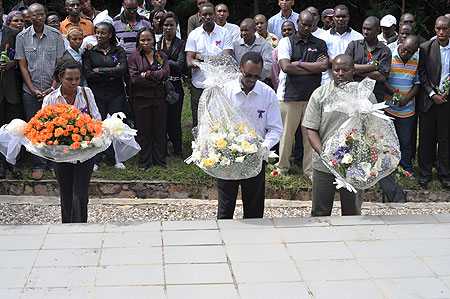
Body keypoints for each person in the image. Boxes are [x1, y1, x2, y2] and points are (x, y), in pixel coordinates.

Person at [303, 54, 376, 216]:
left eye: (345, 70)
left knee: (352, 211)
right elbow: (311, 129)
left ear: (353, 70)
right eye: (336, 70)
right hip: (324, 164)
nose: (340, 73)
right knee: (320, 211)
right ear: (332, 71)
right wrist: (325, 155)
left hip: (354, 165)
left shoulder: (366, 96)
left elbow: (373, 129)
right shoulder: (320, 95)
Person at [218, 52, 282, 219]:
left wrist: (263, 148)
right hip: (229, 156)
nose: (252, 80)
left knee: (254, 205)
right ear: (240, 69)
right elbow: (216, 123)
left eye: (256, 76)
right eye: (248, 75)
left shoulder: (268, 94)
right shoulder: (226, 91)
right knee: (225, 204)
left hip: (255, 157)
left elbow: (275, 128)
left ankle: (255, 238)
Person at [43, 60, 101, 223]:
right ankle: (67, 225)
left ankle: (80, 225)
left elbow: (96, 118)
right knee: (66, 191)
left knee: (81, 193)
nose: (74, 83)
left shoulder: (86, 93)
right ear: (60, 78)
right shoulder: (51, 99)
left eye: (77, 78)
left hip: (85, 152)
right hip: (61, 154)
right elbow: (43, 125)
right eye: (70, 79)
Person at [274, 10, 328, 178]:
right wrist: (311, 68)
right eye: (303, 24)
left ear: (314, 25)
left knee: (310, 136)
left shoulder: (320, 43)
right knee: (286, 135)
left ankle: (310, 170)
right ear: (297, 22)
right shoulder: (286, 42)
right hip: (289, 96)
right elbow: (286, 67)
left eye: (309, 25)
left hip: (312, 97)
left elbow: (323, 67)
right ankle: (282, 167)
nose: (306, 27)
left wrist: (298, 64)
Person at [15, 3, 64, 180]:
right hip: (30, 91)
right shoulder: (22, 37)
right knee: (34, 127)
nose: (40, 17)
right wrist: (33, 89)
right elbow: (22, 66)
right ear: (29, 17)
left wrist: (52, 87)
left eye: (42, 14)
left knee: (54, 126)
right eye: (35, 15)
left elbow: (59, 63)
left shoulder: (56, 35)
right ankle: (39, 163)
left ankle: (52, 163)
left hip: (53, 90)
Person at [82, 22, 128, 170]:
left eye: (103, 33)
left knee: (114, 126)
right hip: (97, 95)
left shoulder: (118, 50)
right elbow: (88, 74)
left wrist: (99, 70)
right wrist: (110, 72)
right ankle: (96, 158)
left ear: (110, 35)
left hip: (116, 94)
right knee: (98, 126)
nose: (99, 35)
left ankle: (115, 157)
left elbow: (122, 70)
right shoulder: (90, 52)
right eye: (97, 33)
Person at [185, 2, 233, 128]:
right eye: (204, 15)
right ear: (200, 16)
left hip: (220, 85)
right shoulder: (194, 35)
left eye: (210, 14)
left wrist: (201, 57)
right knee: (199, 121)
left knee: (220, 119)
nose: (208, 17)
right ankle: (199, 147)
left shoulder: (224, 33)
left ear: (215, 15)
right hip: (199, 85)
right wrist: (215, 60)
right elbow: (189, 62)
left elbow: (227, 59)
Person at [128, 27, 169, 170]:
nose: (146, 42)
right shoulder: (134, 56)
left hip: (159, 98)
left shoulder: (161, 55)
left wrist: (148, 75)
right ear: (139, 41)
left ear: (153, 40)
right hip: (141, 99)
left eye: (149, 39)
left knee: (160, 129)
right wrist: (156, 79)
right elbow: (135, 79)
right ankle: (144, 161)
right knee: (143, 130)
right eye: (143, 40)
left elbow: (165, 74)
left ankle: (160, 160)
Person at [417, 16, 450, 189]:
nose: (441, 32)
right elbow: (421, 73)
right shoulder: (426, 48)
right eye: (438, 29)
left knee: (445, 138)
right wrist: (432, 94)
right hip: (429, 100)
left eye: (445, 29)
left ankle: (445, 175)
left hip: (447, 100)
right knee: (426, 138)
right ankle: (425, 174)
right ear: (434, 29)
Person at [384, 35, 420, 175]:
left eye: (410, 52)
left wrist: (406, 98)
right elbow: (383, 79)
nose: (406, 53)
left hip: (407, 109)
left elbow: (417, 84)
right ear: (401, 43)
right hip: (389, 107)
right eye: (404, 49)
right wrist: (396, 94)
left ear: (415, 51)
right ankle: (388, 168)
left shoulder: (416, 61)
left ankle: (406, 169)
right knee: (387, 140)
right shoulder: (390, 56)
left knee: (405, 142)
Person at [156, 12, 185, 157]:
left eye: (171, 25)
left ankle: (177, 149)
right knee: (162, 118)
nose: (168, 28)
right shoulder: (157, 43)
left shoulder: (181, 44)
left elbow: (180, 65)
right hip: (161, 85)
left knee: (175, 119)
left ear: (176, 26)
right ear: (162, 26)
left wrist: (163, 60)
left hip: (176, 85)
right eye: (166, 25)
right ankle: (162, 148)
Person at [345, 16, 391, 103]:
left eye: (369, 29)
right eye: (364, 28)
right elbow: (346, 67)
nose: (365, 32)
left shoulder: (385, 51)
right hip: (353, 96)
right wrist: (373, 67)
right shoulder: (354, 45)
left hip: (375, 97)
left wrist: (357, 71)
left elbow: (382, 77)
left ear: (378, 30)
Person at [319, 4, 363, 85]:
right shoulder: (323, 37)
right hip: (328, 83)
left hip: (351, 84)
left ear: (348, 17)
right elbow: (322, 62)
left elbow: (361, 60)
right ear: (333, 18)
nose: (341, 19)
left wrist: (330, 62)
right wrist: (349, 65)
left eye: (344, 17)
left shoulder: (358, 37)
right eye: (338, 16)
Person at [0, 16, 22, 179]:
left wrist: (11, 64)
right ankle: (1, 164)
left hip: (11, 88)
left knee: (14, 128)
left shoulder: (13, 33)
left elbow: (21, 57)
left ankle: (13, 162)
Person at [271, 20, 295, 90]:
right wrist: (278, 88)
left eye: (289, 30)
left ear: (295, 31)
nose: (287, 32)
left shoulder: (300, 47)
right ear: (281, 32)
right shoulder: (275, 52)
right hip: (283, 88)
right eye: (284, 30)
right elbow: (275, 74)